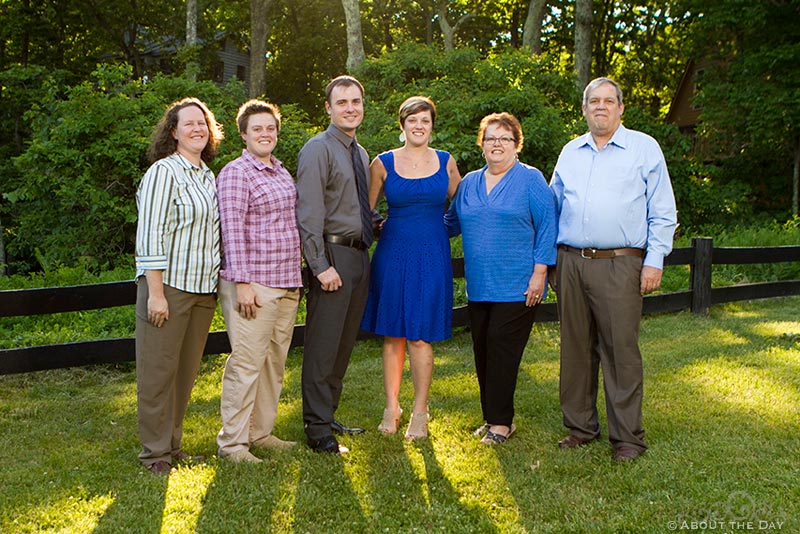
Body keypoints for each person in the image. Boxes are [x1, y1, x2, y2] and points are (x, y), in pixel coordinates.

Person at [550, 77, 677, 462]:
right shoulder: (570, 152)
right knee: (574, 349)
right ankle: (580, 427)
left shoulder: (643, 149)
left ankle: (627, 437)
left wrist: (654, 260)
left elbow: (663, 210)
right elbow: (552, 207)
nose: (601, 107)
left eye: (609, 101)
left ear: (621, 108)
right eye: (594, 101)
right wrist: (551, 262)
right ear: (584, 108)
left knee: (620, 351)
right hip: (570, 261)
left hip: (620, 263)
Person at [444, 112, 557, 445]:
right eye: (490, 138)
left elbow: (548, 226)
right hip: (480, 285)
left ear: (516, 145)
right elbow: (449, 224)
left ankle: (502, 424)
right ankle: (491, 417)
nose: (496, 144)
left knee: (501, 349)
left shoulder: (530, 179)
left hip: (519, 285)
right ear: (481, 145)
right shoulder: (468, 184)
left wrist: (541, 273)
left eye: (504, 138)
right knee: (483, 351)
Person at [360, 96, 461, 439]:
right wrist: (381, 226)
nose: (419, 126)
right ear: (402, 125)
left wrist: (439, 231)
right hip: (393, 254)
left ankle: (420, 410)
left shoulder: (446, 162)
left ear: (432, 125)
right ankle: (392, 406)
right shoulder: (383, 162)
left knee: (420, 335)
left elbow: (462, 208)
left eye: (425, 120)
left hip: (432, 255)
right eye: (413, 120)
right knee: (394, 334)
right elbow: (366, 211)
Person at [134, 97, 224, 474]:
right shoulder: (164, 173)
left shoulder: (207, 174)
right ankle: (154, 453)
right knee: (158, 372)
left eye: (202, 122)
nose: (197, 128)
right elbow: (150, 236)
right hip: (167, 289)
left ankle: (173, 445)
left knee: (184, 373)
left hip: (203, 291)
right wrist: (155, 294)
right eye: (188, 123)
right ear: (173, 132)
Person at [216, 100, 302, 464]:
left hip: (286, 282)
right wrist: (242, 283)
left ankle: (260, 432)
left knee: (273, 363)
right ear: (244, 134)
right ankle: (232, 444)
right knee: (247, 363)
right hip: (254, 284)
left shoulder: (281, 171)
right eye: (257, 129)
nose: (265, 134)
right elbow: (231, 231)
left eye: (270, 128)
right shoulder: (236, 173)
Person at [296, 75, 373, 454]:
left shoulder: (359, 153)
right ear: (328, 108)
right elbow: (309, 213)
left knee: (343, 345)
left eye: (356, 101)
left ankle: (328, 413)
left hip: (359, 256)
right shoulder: (318, 149)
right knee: (323, 345)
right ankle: (316, 428)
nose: (350, 108)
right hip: (332, 257)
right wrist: (319, 265)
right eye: (342, 102)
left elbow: (352, 205)